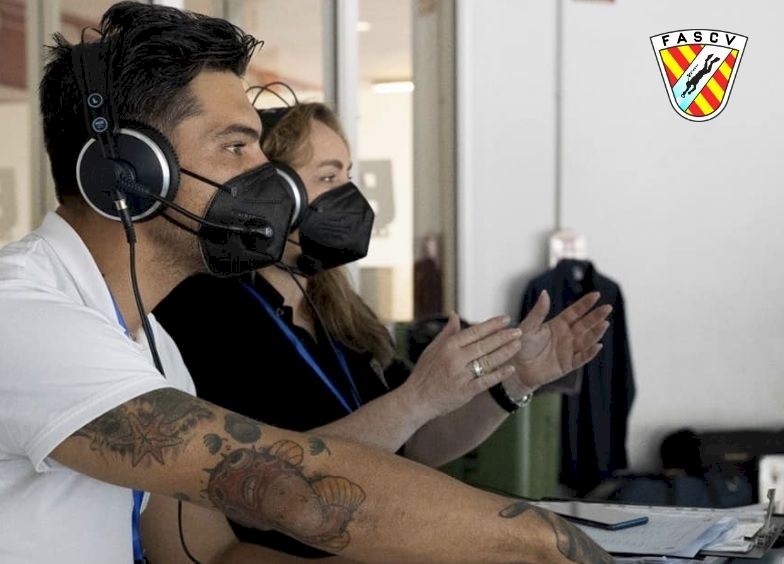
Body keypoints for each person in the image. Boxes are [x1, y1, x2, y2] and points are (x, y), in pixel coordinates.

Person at [0, 2, 613, 563]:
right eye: (235, 147)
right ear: (128, 174)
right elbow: (294, 491)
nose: (267, 177)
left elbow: (212, 556)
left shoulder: (150, 345)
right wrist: (540, 545)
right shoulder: (24, 317)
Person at [154, 100, 612, 560]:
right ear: (270, 194)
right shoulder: (206, 313)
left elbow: (415, 447)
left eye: (348, 174)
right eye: (329, 177)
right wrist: (418, 398)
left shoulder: (338, 310)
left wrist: (514, 383)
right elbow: (276, 478)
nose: (350, 196)